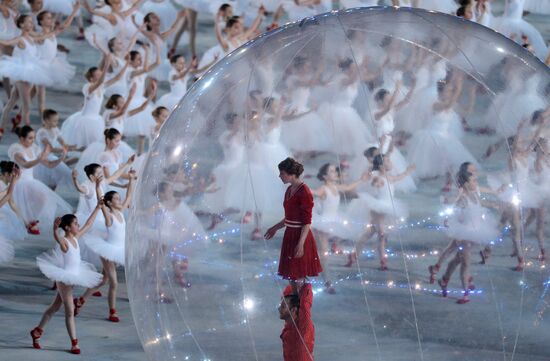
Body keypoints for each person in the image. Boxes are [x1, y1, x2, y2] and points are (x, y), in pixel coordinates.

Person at [31, 202, 104, 354]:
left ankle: (37, 331)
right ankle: (74, 343)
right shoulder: (64, 242)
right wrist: (54, 228)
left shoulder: (76, 237)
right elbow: (57, 238)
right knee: (70, 311)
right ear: (67, 228)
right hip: (64, 279)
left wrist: (98, 208)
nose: (78, 225)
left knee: (54, 307)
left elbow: (89, 224)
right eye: (75, 224)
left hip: (74, 275)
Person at [265, 157, 322, 295]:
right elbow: (289, 218)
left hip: (300, 236)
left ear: (291, 174)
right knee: (291, 273)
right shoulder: (290, 189)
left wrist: (301, 243)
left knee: (299, 273)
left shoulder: (304, 192)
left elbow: (306, 221)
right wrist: (274, 228)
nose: (280, 176)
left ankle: (301, 304)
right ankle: (295, 302)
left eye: (282, 173)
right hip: (290, 235)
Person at [279, 283, 315, 361]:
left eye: (283, 307)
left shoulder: (304, 326)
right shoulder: (288, 326)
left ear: (293, 310)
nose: (279, 309)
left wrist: (301, 279)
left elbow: (305, 305)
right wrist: (293, 285)